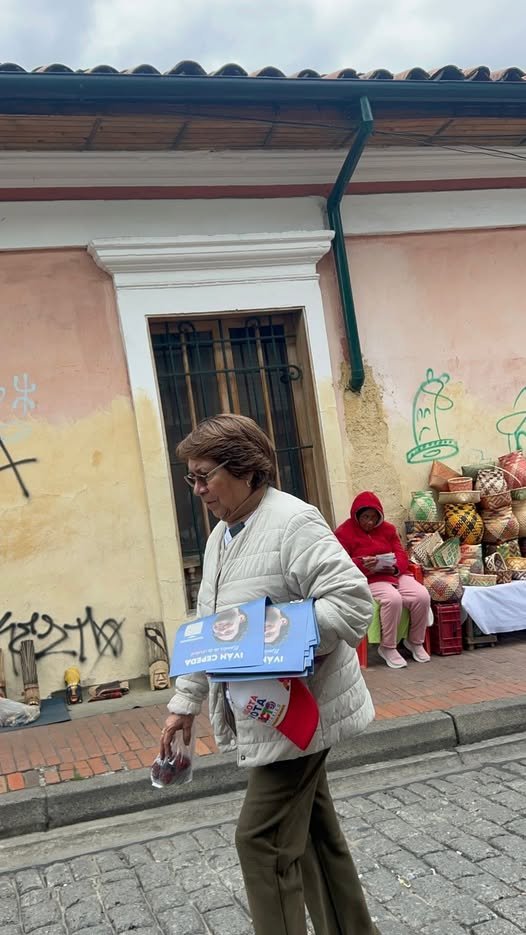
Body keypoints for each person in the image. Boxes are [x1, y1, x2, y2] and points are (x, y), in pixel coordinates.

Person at [161, 413, 378, 935]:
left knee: (261, 840)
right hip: (270, 713)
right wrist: (185, 702)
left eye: (205, 476)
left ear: (246, 470)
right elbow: (211, 627)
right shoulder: (221, 535)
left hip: (299, 712)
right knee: (315, 836)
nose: (197, 490)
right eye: (191, 478)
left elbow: (352, 604)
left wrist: (276, 639)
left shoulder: (293, 522)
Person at [334, 491, 431, 670]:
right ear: (356, 515)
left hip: (394, 573)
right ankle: (388, 647)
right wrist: (362, 563)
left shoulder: (388, 529)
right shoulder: (343, 532)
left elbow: (401, 553)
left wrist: (395, 567)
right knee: (393, 599)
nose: (370, 522)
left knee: (422, 595)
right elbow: (340, 562)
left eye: (374, 517)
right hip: (370, 578)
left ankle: (415, 641)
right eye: (365, 517)